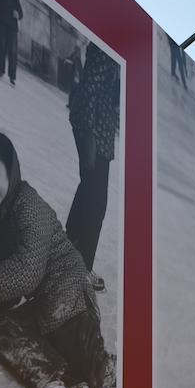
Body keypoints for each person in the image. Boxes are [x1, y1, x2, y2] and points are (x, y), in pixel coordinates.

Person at [0, 131, 117, 388]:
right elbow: (9, 277)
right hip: (46, 305)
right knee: (4, 329)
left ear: (10, 170)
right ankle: (58, 377)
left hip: (71, 297)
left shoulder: (28, 206)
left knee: (97, 370)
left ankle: (110, 372)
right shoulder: (3, 210)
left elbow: (26, 270)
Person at [66, 42, 120, 292]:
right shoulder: (107, 47)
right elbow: (89, 90)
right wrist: (89, 135)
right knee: (96, 203)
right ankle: (80, 269)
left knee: (89, 191)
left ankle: (68, 255)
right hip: (95, 131)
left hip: (100, 131)